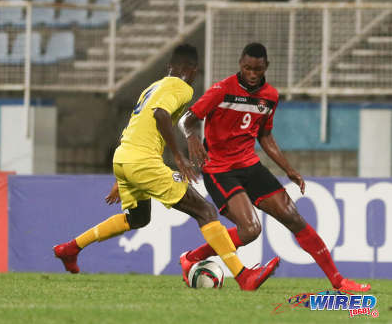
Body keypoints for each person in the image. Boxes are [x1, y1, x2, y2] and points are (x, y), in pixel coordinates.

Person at [53, 44, 280, 291]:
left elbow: (137, 124)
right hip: (142, 161)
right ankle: (243, 275)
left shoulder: (153, 87)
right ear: (192, 70)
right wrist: (179, 157)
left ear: (169, 67)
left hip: (124, 157)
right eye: (195, 73)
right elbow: (161, 115)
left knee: (137, 218)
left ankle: (70, 248)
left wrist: (122, 176)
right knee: (205, 211)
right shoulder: (182, 87)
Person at [177, 42, 370, 292]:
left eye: (257, 69)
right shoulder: (221, 90)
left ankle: (338, 281)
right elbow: (186, 119)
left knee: (294, 218)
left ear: (265, 66)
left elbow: (265, 136)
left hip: (250, 165)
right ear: (240, 65)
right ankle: (193, 257)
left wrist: (288, 169)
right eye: (247, 68)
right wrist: (192, 137)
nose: (252, 74)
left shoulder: (270, 96)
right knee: (250, 230)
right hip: (219, 169)